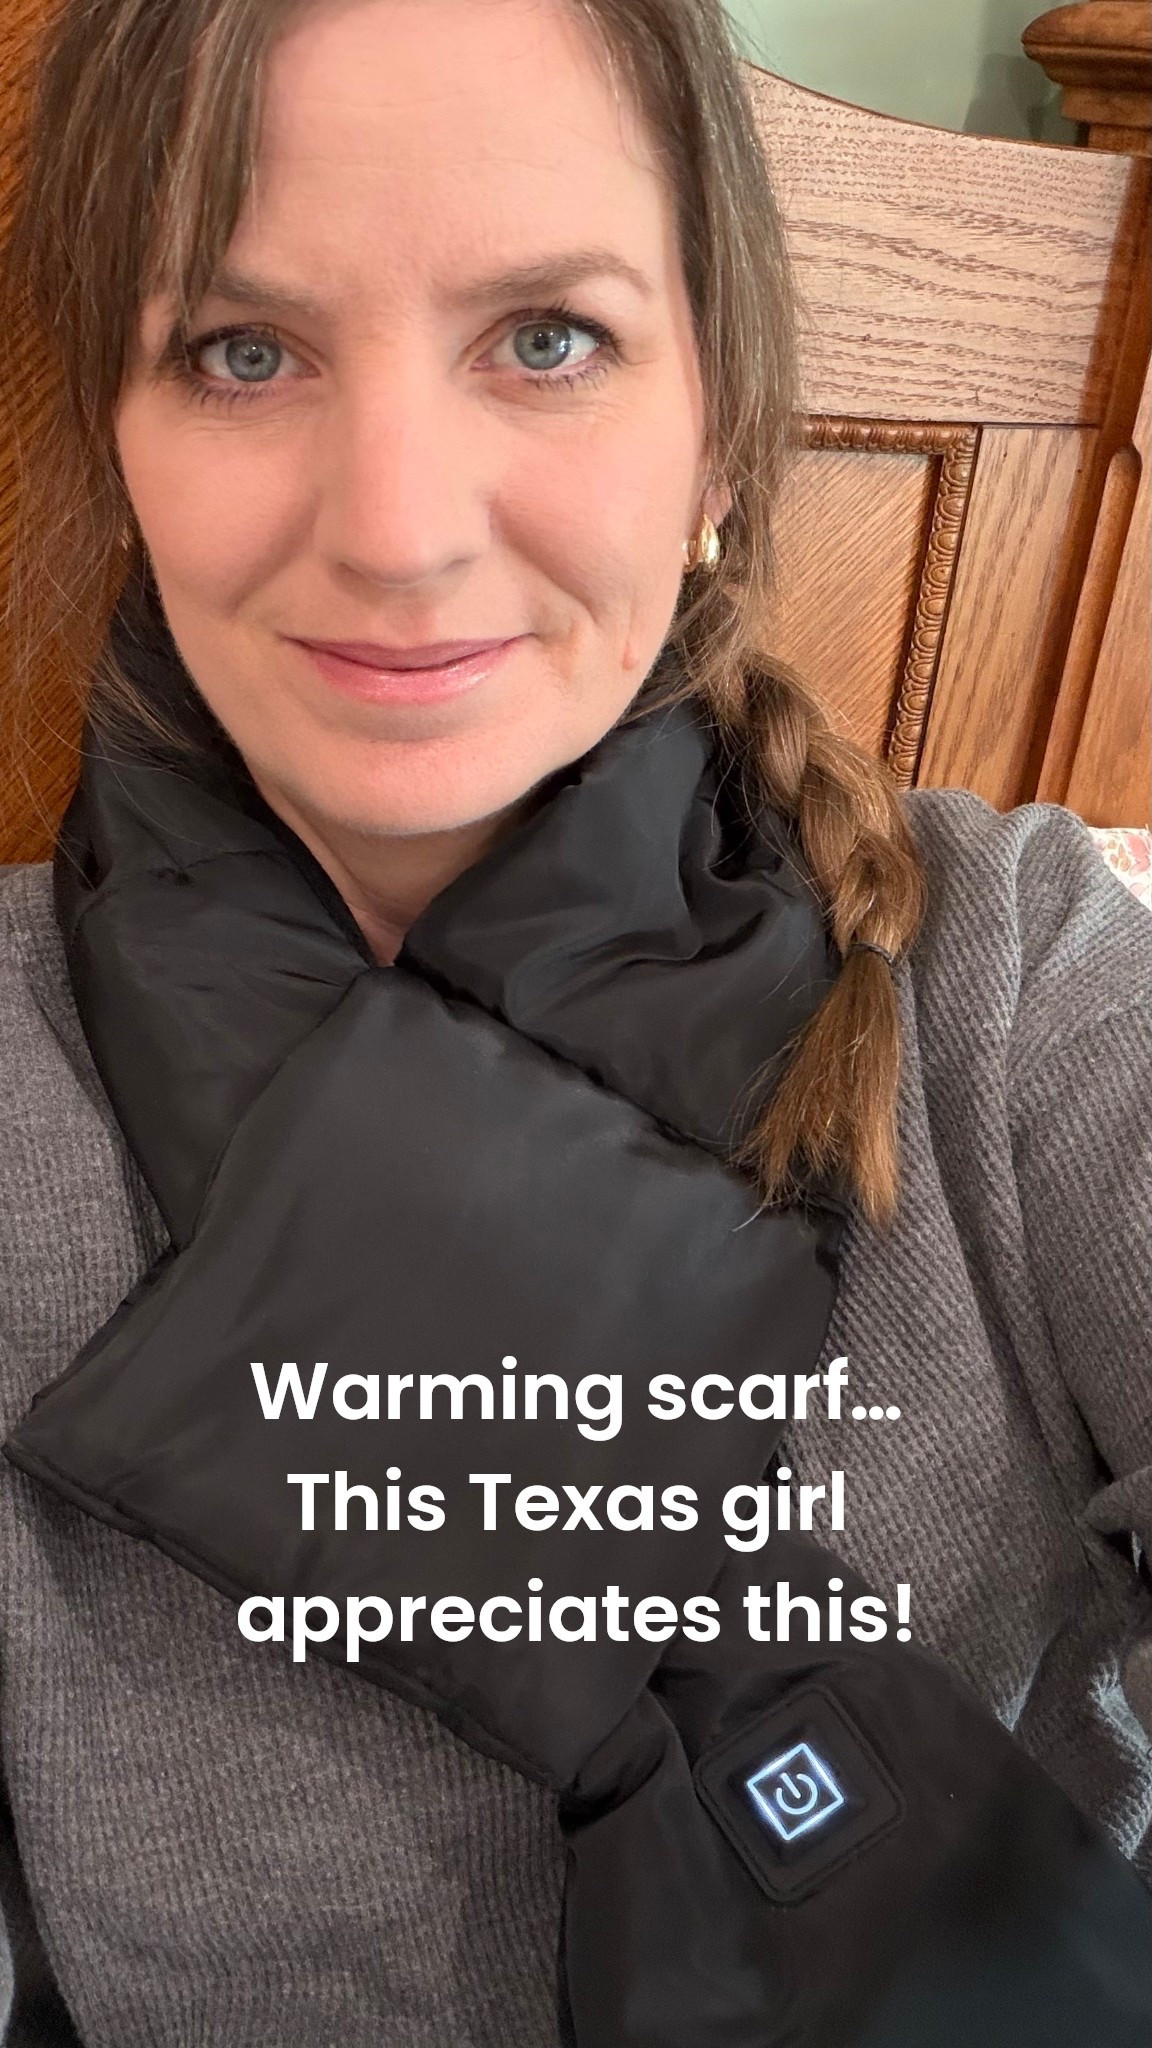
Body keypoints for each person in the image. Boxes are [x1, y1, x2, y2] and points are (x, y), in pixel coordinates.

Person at [0, 0, 1150, 2042]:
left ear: (722, 423)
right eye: (243, 351)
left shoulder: (1018, 983)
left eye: (546, 337)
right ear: (118, 432)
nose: (399, 528)